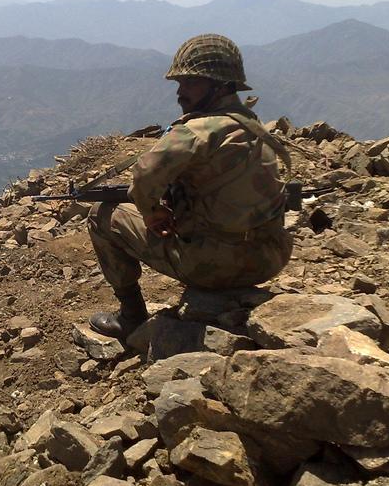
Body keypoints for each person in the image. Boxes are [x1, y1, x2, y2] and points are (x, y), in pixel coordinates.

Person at [87, 33, 294, 339]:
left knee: (101, 215)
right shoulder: (251, 126)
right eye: (179, 83)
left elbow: (144, 178)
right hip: (270, 258)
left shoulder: (196, 131)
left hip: (215, 267)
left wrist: (152, 213)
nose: (181, 92)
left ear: (220, 85)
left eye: (191, 82)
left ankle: (130, 316)